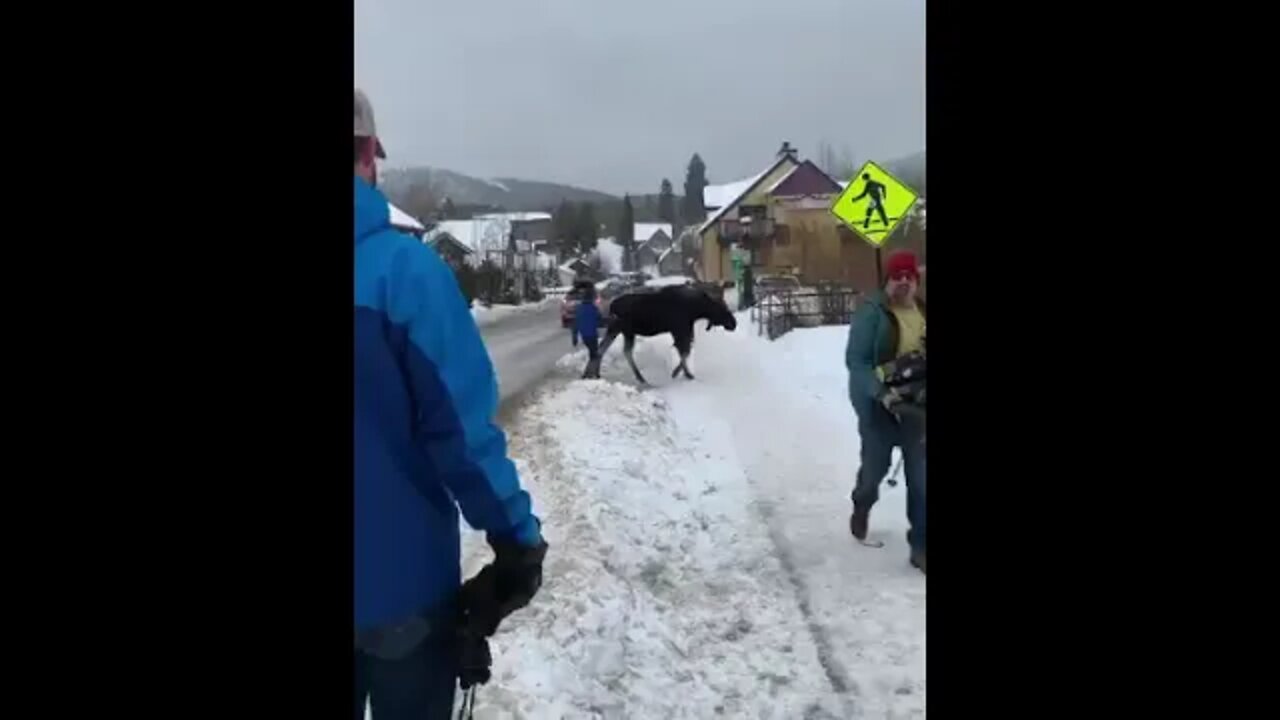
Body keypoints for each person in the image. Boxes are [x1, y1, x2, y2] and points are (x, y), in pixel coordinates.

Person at [353, 88, 548, 720]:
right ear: (368, 160)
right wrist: (516, 542)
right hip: (399, 592)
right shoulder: (404, 276)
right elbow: (461, 437)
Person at [845, 249, 926, 573]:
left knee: (921, 480)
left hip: (916, 409)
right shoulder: (872, 314)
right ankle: (862, 502)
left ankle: (920, 545)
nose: (904, 282)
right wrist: (881, 393)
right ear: (887, 281)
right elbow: (857, 362)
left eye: (909, 277)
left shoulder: (922, 311)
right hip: (879, 406)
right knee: (875, 470)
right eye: (897, 277)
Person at [575, 284, 602, 374]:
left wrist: (574, 338)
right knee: (595, 355)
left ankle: (592, 372)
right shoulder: (594, 309)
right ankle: (591, 373)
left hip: (584, 336)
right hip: (593, 335)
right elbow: (600, 319)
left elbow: (575, 324)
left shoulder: (579, 309)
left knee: (593, 353)